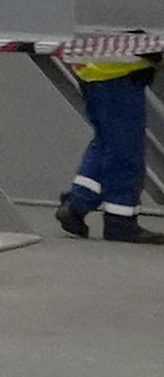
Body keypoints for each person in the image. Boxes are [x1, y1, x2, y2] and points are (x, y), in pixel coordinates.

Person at [66, 48, 151, 243]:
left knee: (106, 141)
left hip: (94, 68)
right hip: (120, 69)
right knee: (126, 150)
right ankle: (121, 222)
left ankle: (76, 204)